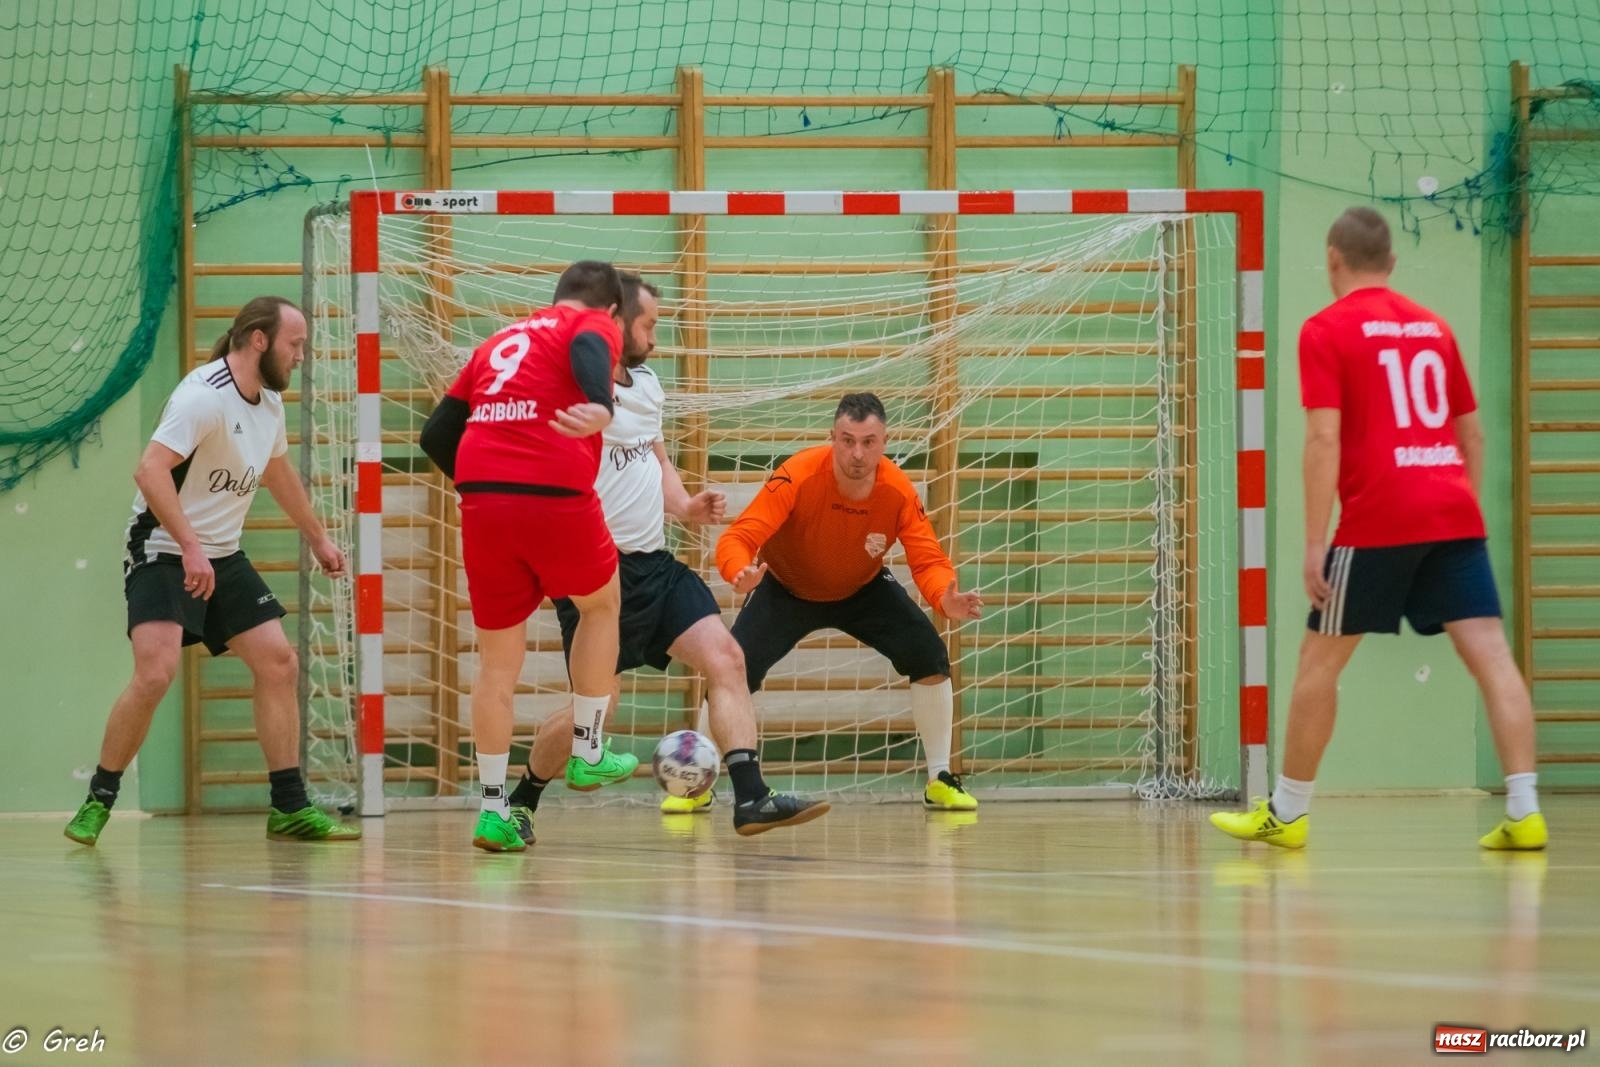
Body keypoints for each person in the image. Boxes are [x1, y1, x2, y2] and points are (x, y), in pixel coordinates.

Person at [1210, 207, 1546, 851]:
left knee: (1319, 662)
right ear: (1391, 264)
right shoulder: (1435, 327)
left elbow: (1323, 436)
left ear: (1332, 259)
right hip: (1453, 512)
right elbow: (1471, 434)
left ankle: (1287, 811)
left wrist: (1316, 542)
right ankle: (1525, 808)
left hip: (1378, 517)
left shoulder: (1326, 329)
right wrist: (1454, 510)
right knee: (1493, 658)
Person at [506, 274, 829, 842]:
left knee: (728, 658)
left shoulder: (650, 385)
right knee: (599, 706)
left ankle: (751, 797)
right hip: (595, 577)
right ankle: (521, 797)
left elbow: (654, 460)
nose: (656, 338)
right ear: (614, 321)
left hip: (655, 565)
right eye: (648, 324)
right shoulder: (571, 391)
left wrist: (685, 505)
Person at [65, 297, 359, 845]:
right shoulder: (202, 397)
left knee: (278, 663)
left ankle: (289, 807)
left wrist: (317, 535)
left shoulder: (267, 404)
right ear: (258, 340)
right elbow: (149, 471)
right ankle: (98, 799)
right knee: (155, 673)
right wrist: (190, 545)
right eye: (294, 343)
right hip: (161, 546)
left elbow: (276, 473)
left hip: (220, 551)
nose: (301, 355)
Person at [419, 261, 635, 853]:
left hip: (484, 505)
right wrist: (601, 404)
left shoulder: (496, 342)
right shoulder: (592, 324)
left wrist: (485, 487)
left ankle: (492, 812)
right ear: (611, 308)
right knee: (602, 604)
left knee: (496, 667)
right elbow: (592, 341)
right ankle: (588, 752)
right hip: (554, 494)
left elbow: (436, 434)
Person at [714, 393, 984, 811]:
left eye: (869, 442)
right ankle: (696, 783)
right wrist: (737, 571)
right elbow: (739, 537)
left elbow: (928, 559)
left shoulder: (897, 491)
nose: (857, 453)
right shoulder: (797, 475)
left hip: (862, 587)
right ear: (832, 438)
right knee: (729, 668)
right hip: (785, 587)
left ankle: (939, 779)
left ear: (885, 441)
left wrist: (943, 597)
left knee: (929, 655)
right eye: (847, 440)